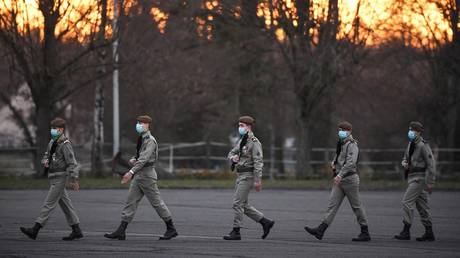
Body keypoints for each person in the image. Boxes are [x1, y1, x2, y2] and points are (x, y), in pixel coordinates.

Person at [104, 115, 178, 240]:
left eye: (142, 123)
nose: (139, 125)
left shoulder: (150, 140)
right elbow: (141, 155)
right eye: (138, 122)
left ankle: (171, 228)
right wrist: (135, 158)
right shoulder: (142, 138)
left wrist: (130, 172)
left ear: (148, 125)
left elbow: (144, 159)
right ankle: (121, 230)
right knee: (130, 202)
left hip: (147, 176)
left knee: (157, 203)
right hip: (140, 175)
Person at [305, 121, 370, 241]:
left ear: (349, 131)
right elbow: (338, 156)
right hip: (340, 181)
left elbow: (351, 162)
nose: (340, 132)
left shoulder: (352, 145)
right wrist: (334, 163)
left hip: (350, 179)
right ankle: (321, 230)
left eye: (343, 130)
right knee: (332, 206)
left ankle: (365, 231)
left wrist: (340, 174)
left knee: (356, 206)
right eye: (339, 130)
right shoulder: (341, 143)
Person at [20, 117, 83, 240]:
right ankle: (76, 229)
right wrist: (45, 160)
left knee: (48, 204)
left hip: (61, 177)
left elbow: (72, 163)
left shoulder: (65, 144)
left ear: (61, 130)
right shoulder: (52, 142)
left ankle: (35, 229)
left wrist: (74, 179)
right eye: (52, 128)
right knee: (66, 205)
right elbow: (47, 154)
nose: (53, 130)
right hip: (53, 176)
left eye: (55, 128)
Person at [223, 115, 275, 240]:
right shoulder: (242, 141)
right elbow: (231, 152)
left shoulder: (255, 142)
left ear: (249, 127)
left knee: (237, 204)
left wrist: (258, 180)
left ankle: (236, 231)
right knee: (243, 205)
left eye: (242, 126)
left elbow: (258, 162)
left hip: (248, 176)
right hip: (240, 175)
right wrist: (233, 158)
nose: (239, 128)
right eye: (239, 125)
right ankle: (265, 222)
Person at [394, 121, 436, 241]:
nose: (410, 132)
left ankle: (406, 231)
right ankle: (429, 232)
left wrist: (431, 182)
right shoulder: (410, 144)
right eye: (410, 129)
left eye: (412, 130)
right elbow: (405, 158)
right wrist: (404, 163)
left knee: (406, 202)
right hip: (412, 177)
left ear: (418, 132)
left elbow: (431, 164)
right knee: (422, 206)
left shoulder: (423, 145)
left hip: (419, 179)